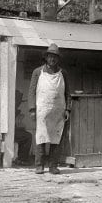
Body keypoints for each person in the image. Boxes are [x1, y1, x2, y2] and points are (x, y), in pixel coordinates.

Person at [28, 43, 71, 174]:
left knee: (55, 139)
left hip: (58, 112)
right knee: (41, 137)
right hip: (42, 111)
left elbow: (67, 93)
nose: (52, 59)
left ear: (58, 59)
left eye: (55, 57)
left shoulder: (63, 73)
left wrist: (68, 109)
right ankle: (39, 165)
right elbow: (31, 91)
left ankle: (53, 166)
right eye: (50, 57)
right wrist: (32, 109)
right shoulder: (37, 72)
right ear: (46, 58)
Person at [14, 90, 34, 166]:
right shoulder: (13, 108)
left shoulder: (14, 108)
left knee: (25, 134)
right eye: (19, 100)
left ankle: (21, 158)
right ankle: (22, 159)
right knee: (28, 136)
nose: (19, 103)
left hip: (12, 131)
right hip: (10, 133)